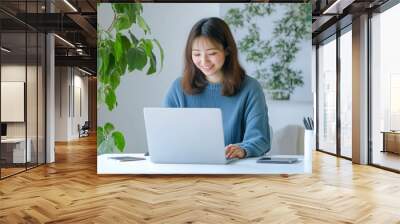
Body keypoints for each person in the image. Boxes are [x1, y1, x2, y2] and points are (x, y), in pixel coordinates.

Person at [163, 17, 270, 159]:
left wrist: (243, 149)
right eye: (196, 54)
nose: (204, 61)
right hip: (186, 168)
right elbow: (163, 136)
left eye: (212, 53)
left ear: (227, 51)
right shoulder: (178, 88)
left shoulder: (250, 88)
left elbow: (260, 139)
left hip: (233, 171)